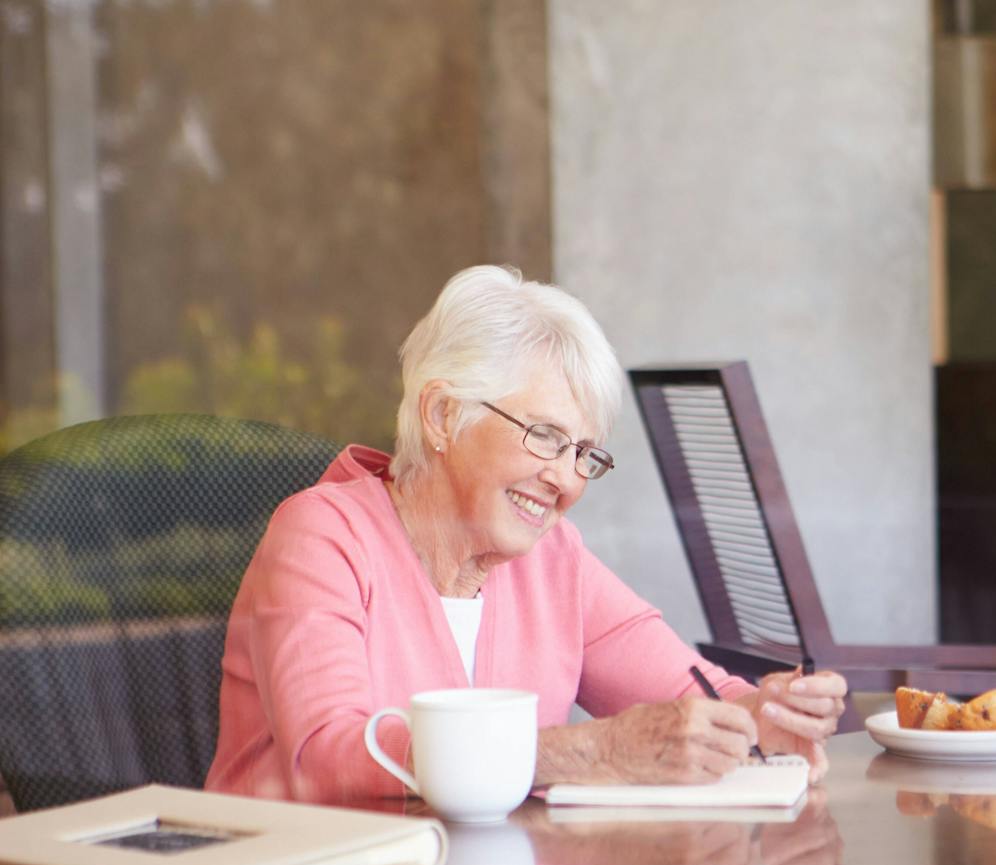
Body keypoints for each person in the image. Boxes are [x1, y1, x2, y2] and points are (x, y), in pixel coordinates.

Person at [205, 265, 846, 805]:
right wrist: (590, 749)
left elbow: (692, 694)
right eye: (544, 436)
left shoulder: (553, 558)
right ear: (442, 414)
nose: (565, 479)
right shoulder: (322, 534)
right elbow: (330, 758)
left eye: (585, 455)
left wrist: (767, 716)